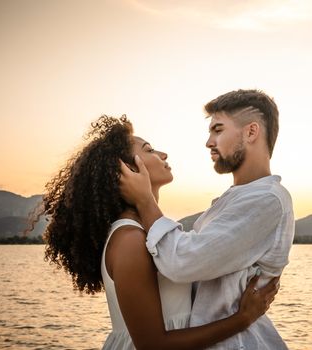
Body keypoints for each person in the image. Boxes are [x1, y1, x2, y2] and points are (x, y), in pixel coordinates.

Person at [31, 115, 280, 350]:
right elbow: (153, 346)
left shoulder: (150, 233)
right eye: (149, 150)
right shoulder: (130, 240)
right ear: (126, 171)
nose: (163, 154)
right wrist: (243, 319)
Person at [119, 89, 295, 349]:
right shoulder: (234, 200)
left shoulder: (266, 200)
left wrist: (145, 200)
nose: (209, 142)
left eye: (218, 130)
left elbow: (181, 261)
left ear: (251, 132)